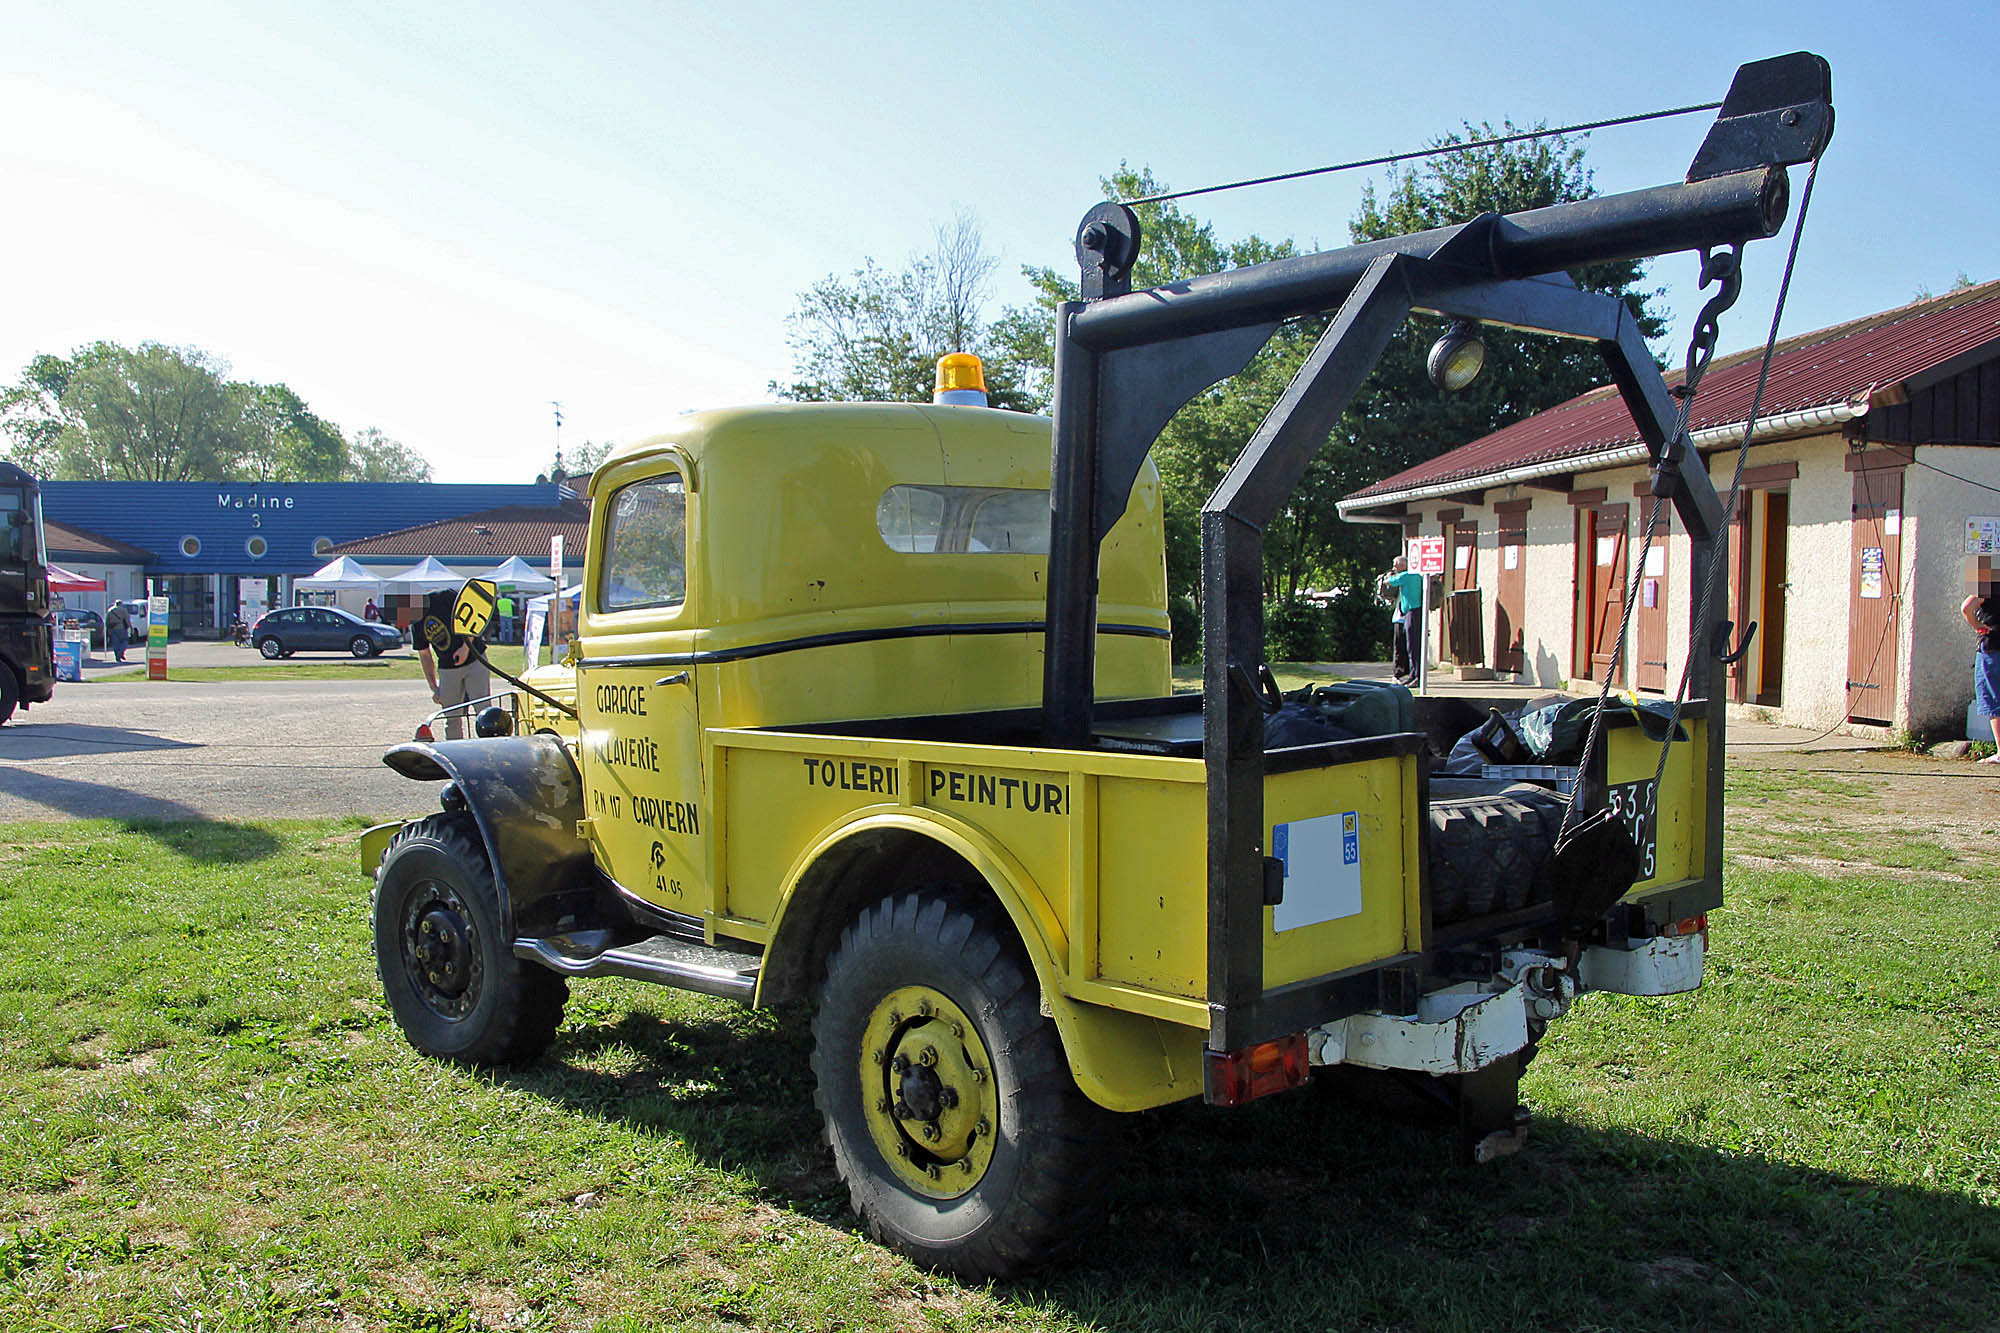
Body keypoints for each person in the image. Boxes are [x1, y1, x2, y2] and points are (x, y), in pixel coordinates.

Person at [415, 588, 490, 740]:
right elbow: (425, 655)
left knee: (483, 711)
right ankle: (456, 754)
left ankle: (490, 750)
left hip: (474, 657)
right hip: (447, 667)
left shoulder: (443, 597)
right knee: (451, 717)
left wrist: (465, 647)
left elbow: (473, 615)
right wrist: (434, 688)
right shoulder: (416, 623)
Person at [1963, 575, 2000, 763]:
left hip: (1993, 647)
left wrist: (1978, 627)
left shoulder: (1989, 581)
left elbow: (1967, 608)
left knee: (1995, 699)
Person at [1376, 555, 1425, 686]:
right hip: (1416, 612)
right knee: (1413, 646)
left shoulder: (1405, 576)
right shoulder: (1416, 576)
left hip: (1412, 612)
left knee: (1412, 646)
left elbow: (1388, 581)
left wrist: (1389, 576)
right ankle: (1414, 675)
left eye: (1395, 565)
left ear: (1403, 565)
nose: (1393, 567)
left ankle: (1416, 676)